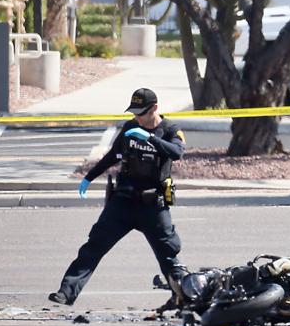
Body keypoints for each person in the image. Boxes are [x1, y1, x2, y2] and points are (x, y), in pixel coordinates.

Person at [49, 88, 187, 306]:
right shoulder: (130, 127)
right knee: (94, 246)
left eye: (141, 113)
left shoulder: (170, 129)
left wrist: (151, 138)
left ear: (155, 108)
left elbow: (177, 152)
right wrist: (89, 177)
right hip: (123, 202)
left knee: (168, 254)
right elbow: (113, 155)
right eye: (134, 112)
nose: (137, 117)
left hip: (153, 205)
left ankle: (183, 297)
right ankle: (66, 292)